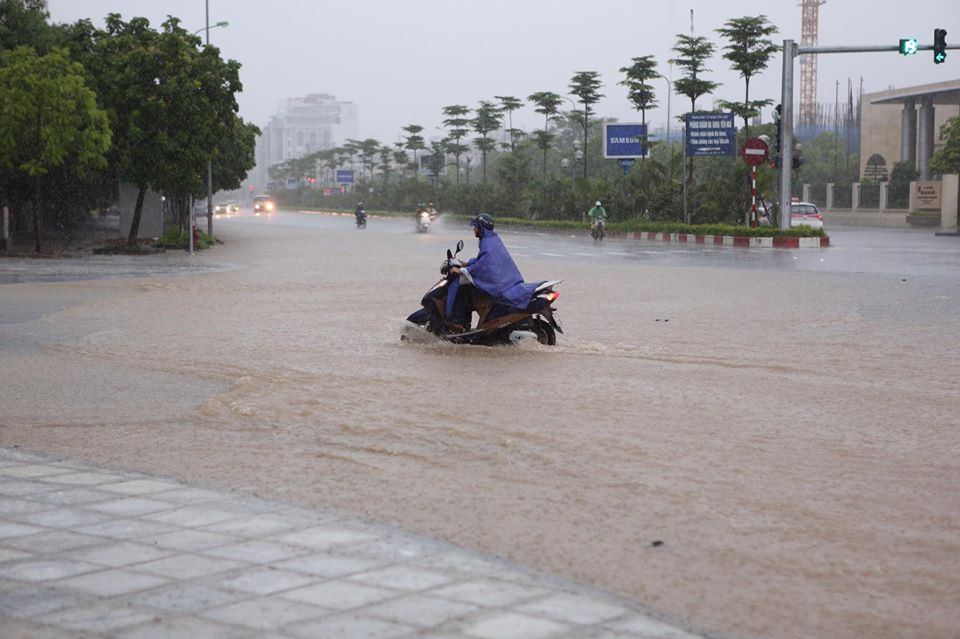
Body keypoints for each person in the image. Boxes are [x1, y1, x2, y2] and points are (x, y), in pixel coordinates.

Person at [445, 214, 541, 332]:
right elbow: (484, 261)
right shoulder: (491, 240)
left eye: (476, 227)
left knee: (463, 290)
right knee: (468, 290)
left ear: (481, 228)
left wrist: (460, 270)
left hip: (498, 286)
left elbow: (484, 266)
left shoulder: (488, 244)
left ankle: (458, 322)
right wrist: (467, 263)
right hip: (505, 282)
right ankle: (466, 323)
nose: (474, 229)